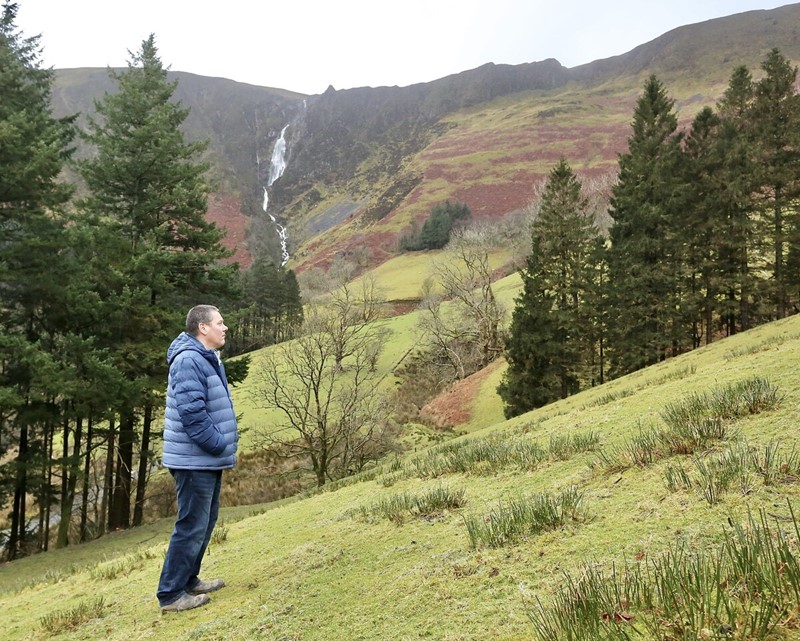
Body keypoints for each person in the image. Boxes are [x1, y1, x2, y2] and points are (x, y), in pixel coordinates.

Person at [156, 305, 239, 613]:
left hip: (204, 459)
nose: (225, 327)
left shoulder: (205, 357)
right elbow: (193, 416)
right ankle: (170, 594)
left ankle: (189, 579)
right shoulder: (189, 360)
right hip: (194, 461)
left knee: (204, 522)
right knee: (191, 524)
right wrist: (220, 445)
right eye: (220, 322)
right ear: (203, 328)